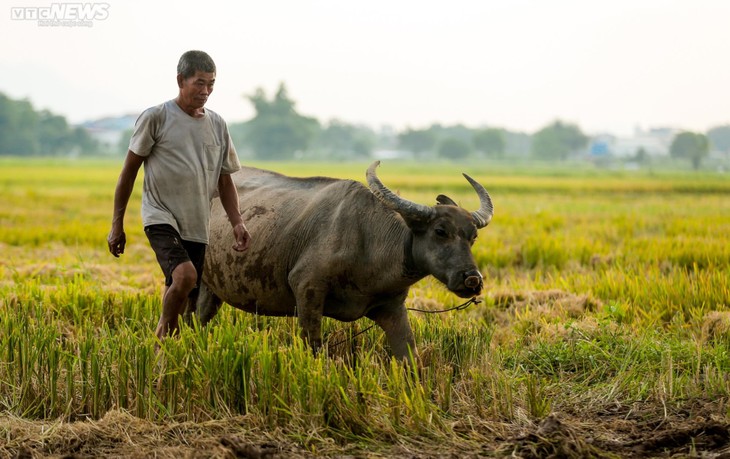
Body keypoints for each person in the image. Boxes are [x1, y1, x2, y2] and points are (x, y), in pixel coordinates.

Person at [107, 50, 251, 343]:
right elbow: (128, 172)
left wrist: (237, 221)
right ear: (180, 80)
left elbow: (225, 180)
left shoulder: (218, 125)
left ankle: (162, 350)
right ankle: (166, 333)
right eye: (199, 83)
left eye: (211, 84)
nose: (206, 91)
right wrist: (116, 224)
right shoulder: (156, 117)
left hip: (198, 224)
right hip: (160, 216)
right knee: (185, 277)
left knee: (180, 288)